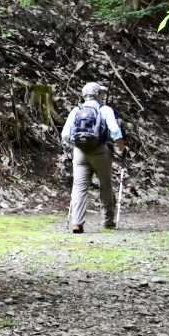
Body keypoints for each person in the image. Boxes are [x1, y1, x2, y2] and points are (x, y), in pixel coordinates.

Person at [60, 81, 125, 233]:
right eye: (101, 93)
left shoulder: (76, 110)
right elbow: (115, 132)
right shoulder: (105, 110)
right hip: (100, 152)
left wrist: (76, 145)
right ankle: (108, 221)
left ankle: (77, 222)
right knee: (105, 185)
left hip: (80, 153)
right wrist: (121, 148)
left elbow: (65, 135)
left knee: (79, 186)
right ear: (97, 95)